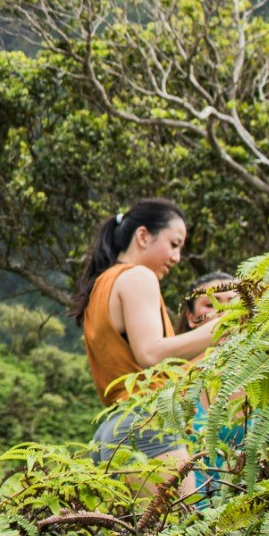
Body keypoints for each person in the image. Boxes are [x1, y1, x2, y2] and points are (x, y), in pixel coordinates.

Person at [76, 201, 222, 474]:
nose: (177, 257)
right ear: (143, 236)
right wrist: (220, 328)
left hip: (113, 430)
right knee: (185, 518)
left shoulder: (101, 285)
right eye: (174, 244)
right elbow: (151, 354)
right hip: (148, 423)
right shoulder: (138, 276)